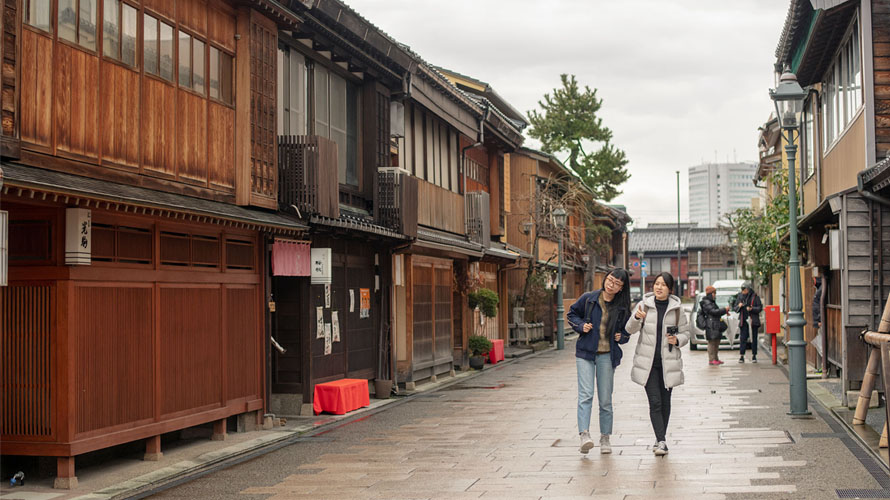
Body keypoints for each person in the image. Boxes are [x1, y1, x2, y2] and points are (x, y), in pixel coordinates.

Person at [566, 268, 632, 455]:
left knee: (605, 400)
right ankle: (584, 435)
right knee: (585, 395)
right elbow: (571, 314)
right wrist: (581, 326)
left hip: (607, 355)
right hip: (586, 353)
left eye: (616, 283)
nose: (611, 285)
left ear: (621, 288)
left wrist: (622, 336)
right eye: (610, 280)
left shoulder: (622, 307)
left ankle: (605, 437)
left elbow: (627, 330)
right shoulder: (589, 298)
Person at [625, 272, 689, 456]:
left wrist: (677, 340)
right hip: (648, 365)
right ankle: (661, 441)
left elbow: (686, 333)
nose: (658, 287)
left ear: (670, 289)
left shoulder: (677, 310)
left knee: (665, 403)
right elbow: (630, 329)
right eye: (656, 284)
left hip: (668, 364)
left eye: (663, 285)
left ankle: (659, 437)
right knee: (655, 402)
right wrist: (637, 318)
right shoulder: (644, 305)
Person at [729, 282, 762, 363]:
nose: (743, 291)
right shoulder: (740, 296)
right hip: (743, 320)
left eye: (745, 289)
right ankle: (741, 355)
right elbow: (735, 308)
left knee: (754, 338)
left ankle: (754, 355)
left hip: (753, 320)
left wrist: (752, 309)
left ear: (748, 289)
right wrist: (739, 306)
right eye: (742, 290)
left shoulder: (755, 296)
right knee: (743, 338)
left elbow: (760, 308)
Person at [700, 285, 726, 366]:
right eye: (714, 293)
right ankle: (711, 359)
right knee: (712, 342)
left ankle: (716, 358)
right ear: (710, 294)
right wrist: (724, 310)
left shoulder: (711, 302)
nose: (715, 295)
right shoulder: (706, 302)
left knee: (716, 342)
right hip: (711, 325)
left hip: (715, 324)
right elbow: (713, 311)